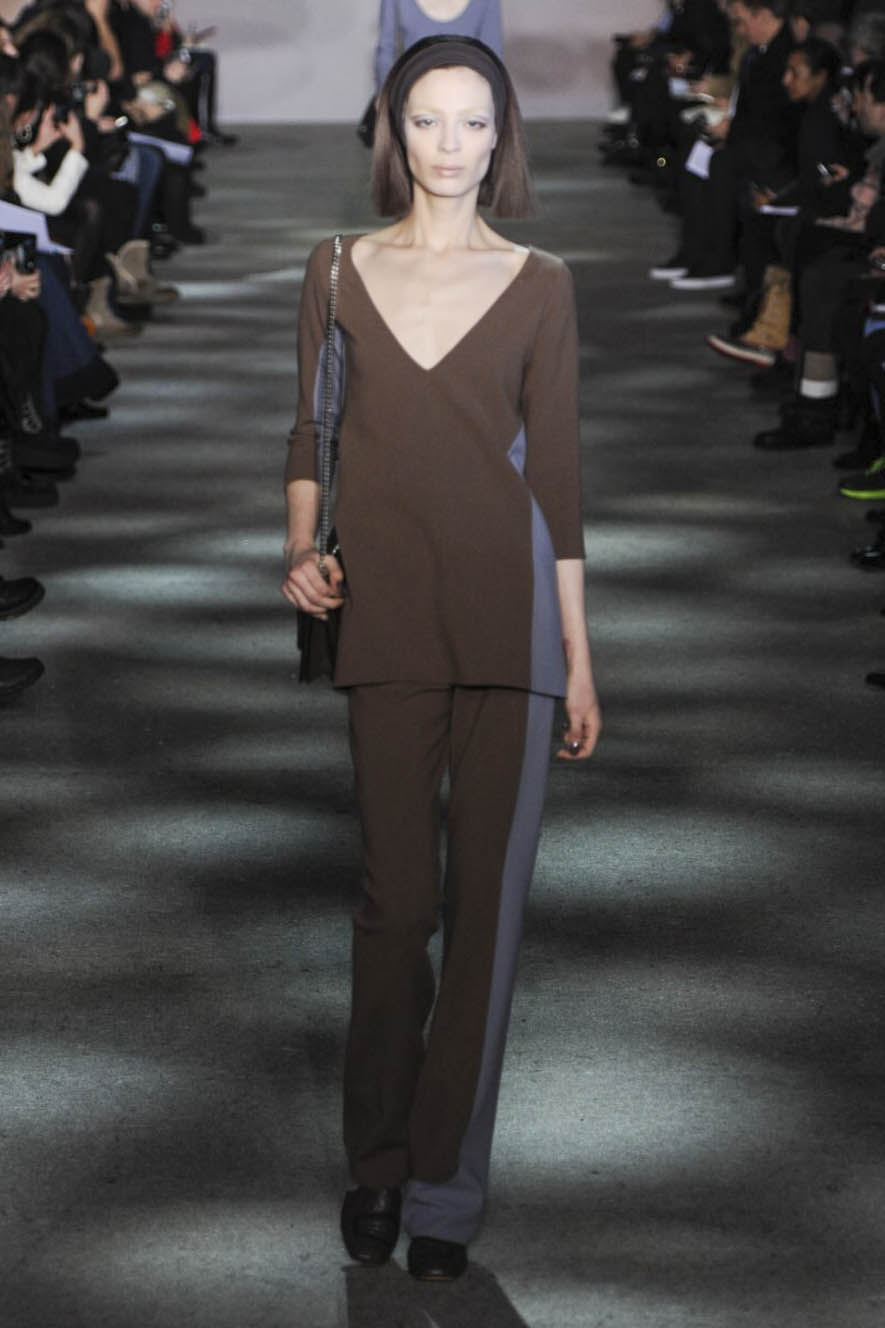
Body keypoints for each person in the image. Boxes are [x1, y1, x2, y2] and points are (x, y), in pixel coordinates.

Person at [281, 35, 601, 1283]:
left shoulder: (541, 283)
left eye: (474, 121)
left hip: (515, 623)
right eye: (427, 120)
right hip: (387, 615)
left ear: (501, 134)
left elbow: (559, 483)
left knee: (487, 918)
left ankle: (445, 1190)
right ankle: (376, 1163)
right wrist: (299, 549)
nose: (451, 144)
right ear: (393, 131)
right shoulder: (338, 268)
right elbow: (310, 429)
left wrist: (580, 655)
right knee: (396, 905)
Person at [374, 0, 503, 95]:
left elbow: (492, 60)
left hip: (468, 99)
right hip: (413, 97)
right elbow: (386, 51)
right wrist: (384, 98)